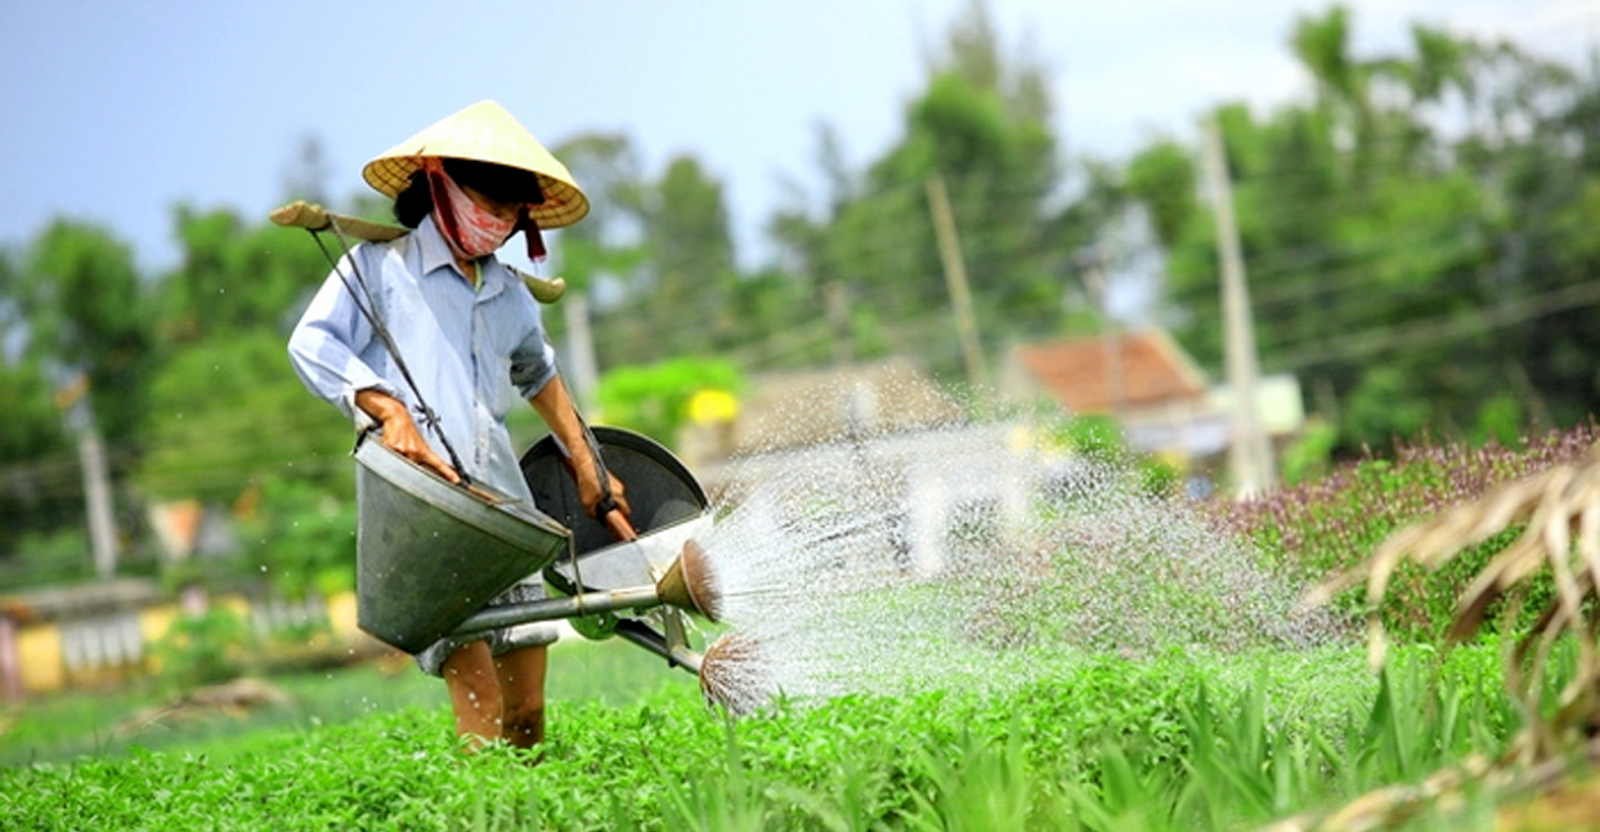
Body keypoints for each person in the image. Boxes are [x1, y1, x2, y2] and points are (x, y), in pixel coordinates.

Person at [287, 100, 629, 750]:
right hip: (429, 515)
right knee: (482, 713)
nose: (496, 225)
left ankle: (531, 818)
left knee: (526, 710)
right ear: (440, 184)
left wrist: (588, 463)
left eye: (509, 215)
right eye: (487, 206)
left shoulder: (509, 293)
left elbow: (540, 374)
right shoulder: (378, 269)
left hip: (504, 512)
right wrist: (385, 409)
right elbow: (312, 344)